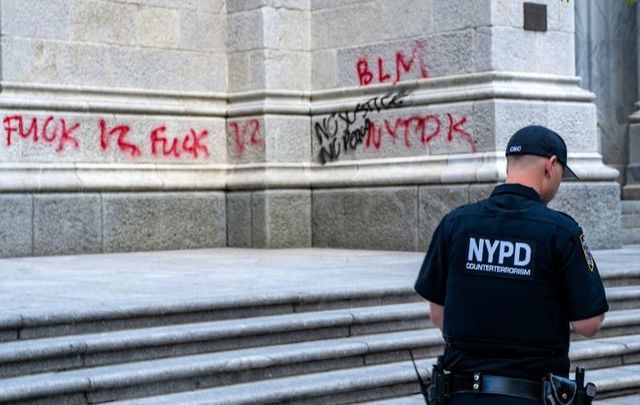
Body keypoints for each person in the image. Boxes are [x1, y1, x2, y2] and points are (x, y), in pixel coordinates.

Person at [414, 125, 609, 404]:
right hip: (530, 396)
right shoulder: (562, 232)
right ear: (551, 166)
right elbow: (589, 323)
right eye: (561, 176)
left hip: (460, 394)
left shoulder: (455, 223)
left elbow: (437, 314)